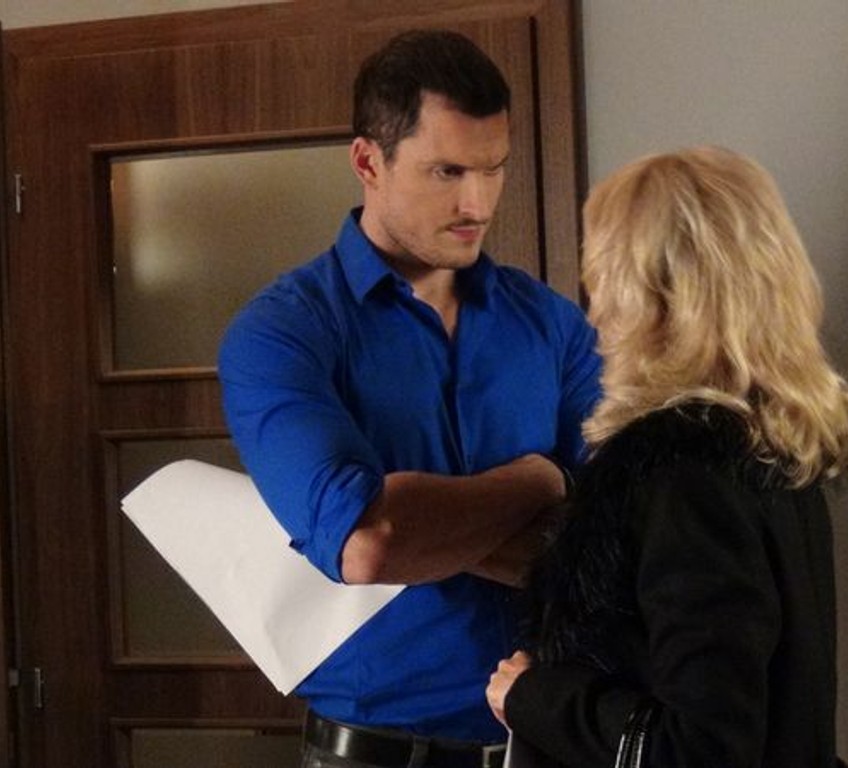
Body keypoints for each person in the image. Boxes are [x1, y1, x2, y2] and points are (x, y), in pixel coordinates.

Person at [218, 29, 602, 768]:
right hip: (375, 752)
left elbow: (618, 548)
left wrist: (431, 528)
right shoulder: (281, 333)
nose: (477, 202)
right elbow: (370, 543)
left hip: (550, 742)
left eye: (493, 169)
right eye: (447, 171)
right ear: (369, 161)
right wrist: (544, 478)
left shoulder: (553, 325)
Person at [486, 146, 848, 767]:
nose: (595, 309)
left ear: (651, 296)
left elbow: (701, 748)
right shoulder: (770, 451)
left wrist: (534, 696)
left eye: (603, 275)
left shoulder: (681, 476)